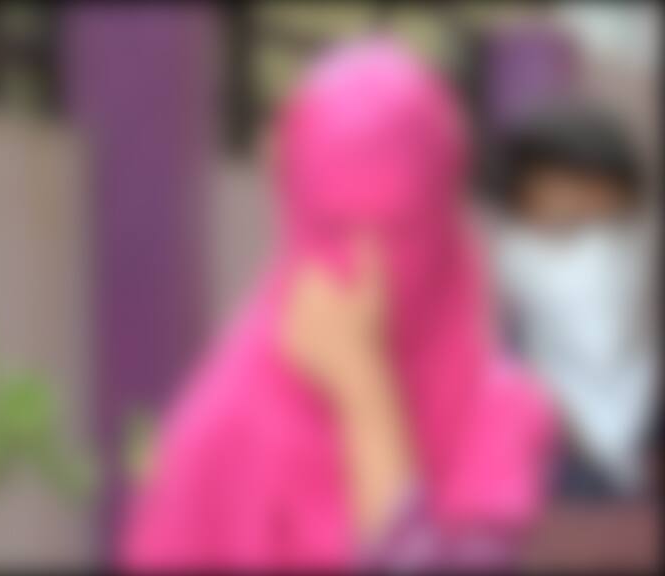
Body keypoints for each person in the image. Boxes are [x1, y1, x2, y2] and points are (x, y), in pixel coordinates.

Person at [120, 40, 555, 570]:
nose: (366, 273)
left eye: (399, 228)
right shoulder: (218, 424)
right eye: (332, 228)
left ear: (443, 218)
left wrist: (364, 394)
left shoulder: (496, 412)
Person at [487, 106, 659, 568]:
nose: (580, 205)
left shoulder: (631, 247)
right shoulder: (510, 254)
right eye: (562, 191)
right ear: (521, 198)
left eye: (598, 193)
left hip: (635, 410)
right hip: (557, 427)